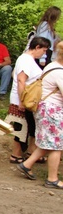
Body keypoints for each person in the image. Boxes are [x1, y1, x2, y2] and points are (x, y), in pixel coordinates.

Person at [17, 41, 63, 189]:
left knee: (48, 141)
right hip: (52, 110)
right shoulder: (59, 72)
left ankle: (26, 164)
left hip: (44, 108)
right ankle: (52, 179)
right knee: (56, 145)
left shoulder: (51, 65)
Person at [4, 37, 50, 164]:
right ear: (37, 47)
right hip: (22, 100)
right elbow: (21, 80)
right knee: (21, 128)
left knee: (31, 126)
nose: (44, 54)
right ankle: (16, 154)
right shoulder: (25, 60)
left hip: (27, 99)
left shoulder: (29, 60)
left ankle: (31, 151)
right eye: (44, 50)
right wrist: (22, 101)